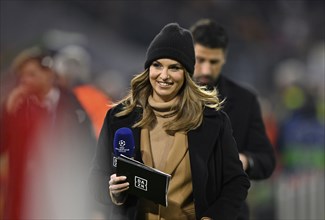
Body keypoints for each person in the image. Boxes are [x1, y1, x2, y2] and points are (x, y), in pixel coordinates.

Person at [90, 23, 250, 220]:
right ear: (148, 69)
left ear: (187, 75)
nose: (163, 76)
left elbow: (236, 182)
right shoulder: (120, 118)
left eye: (174, 68)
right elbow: (97, 178)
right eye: (157, 65)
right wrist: (112, 192)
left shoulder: (212, 122)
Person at [190, 19, 276, 220]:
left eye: (213, 62)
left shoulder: (244, 100)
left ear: (224, 59)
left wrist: (245, 160)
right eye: (200, 60)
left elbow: (266, 160)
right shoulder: (169, 94)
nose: (206, 70)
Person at [0, 46, 96, 219]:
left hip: (58, 193)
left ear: (49, 74)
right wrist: (7, 112)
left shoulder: (72, 106)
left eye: (31, 74)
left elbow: (86, 149)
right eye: (22, 75)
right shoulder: (18, 104)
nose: (25, 80)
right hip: (21, 194)